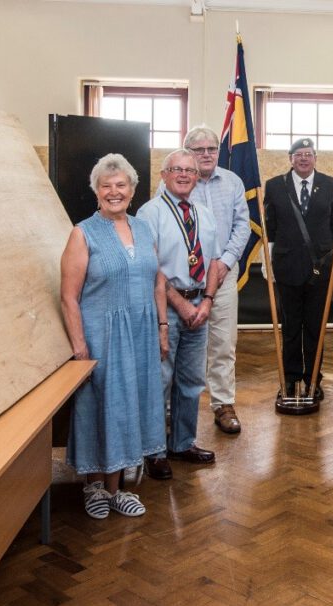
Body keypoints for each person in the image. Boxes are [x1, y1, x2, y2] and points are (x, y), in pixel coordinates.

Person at [60, 153, 164, 518]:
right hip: (101, 336)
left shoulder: (145, 229)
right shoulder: (82, 233)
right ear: (96, 191)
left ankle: (117, 489)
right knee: (98, 407)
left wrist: (162, 328)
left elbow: (157, 281)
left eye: (121, 185)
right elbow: (69, 296)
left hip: (141, 334)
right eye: (107, 186)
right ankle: (93, 487)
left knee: (129, 407)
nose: (114, 192)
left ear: (133, 191)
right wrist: (79, 347)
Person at [137, 149, 221, 481]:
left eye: (190, 170)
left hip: (200, 305)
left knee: (191, 383)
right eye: (177, 169)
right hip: (167, 309)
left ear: (197, 177)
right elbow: (152, 267)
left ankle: (182, 443)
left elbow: (213, 261)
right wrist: (181, 305)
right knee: (161, 381)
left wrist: (207, 301)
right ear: (163, 175)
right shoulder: (150, 213)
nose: (184, 174)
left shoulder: (205, 213)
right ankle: (154, 451)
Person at [263, 138, 333, 400]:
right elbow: (270, 228)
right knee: (290, 328)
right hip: (286, 267)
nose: (303, 158)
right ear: (290, 158)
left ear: (315, 158)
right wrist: (268, 263)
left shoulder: (331, 185)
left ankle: (313, 379)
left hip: (320, 269)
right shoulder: (275, 186)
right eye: (298, 154)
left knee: (315, 327)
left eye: (308, 154)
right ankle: (289, 379)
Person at [183, 126, 250, 435]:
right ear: (188, 153)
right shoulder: (176, 183)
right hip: (184, 279)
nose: (207, 154)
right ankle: (177, 410)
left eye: (211, 148)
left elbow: (242, 227)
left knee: (223, 342)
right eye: (199, 150)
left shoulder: (233, 182)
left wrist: (224, 263)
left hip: (223, 273)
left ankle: (223, 404)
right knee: (184, 345)